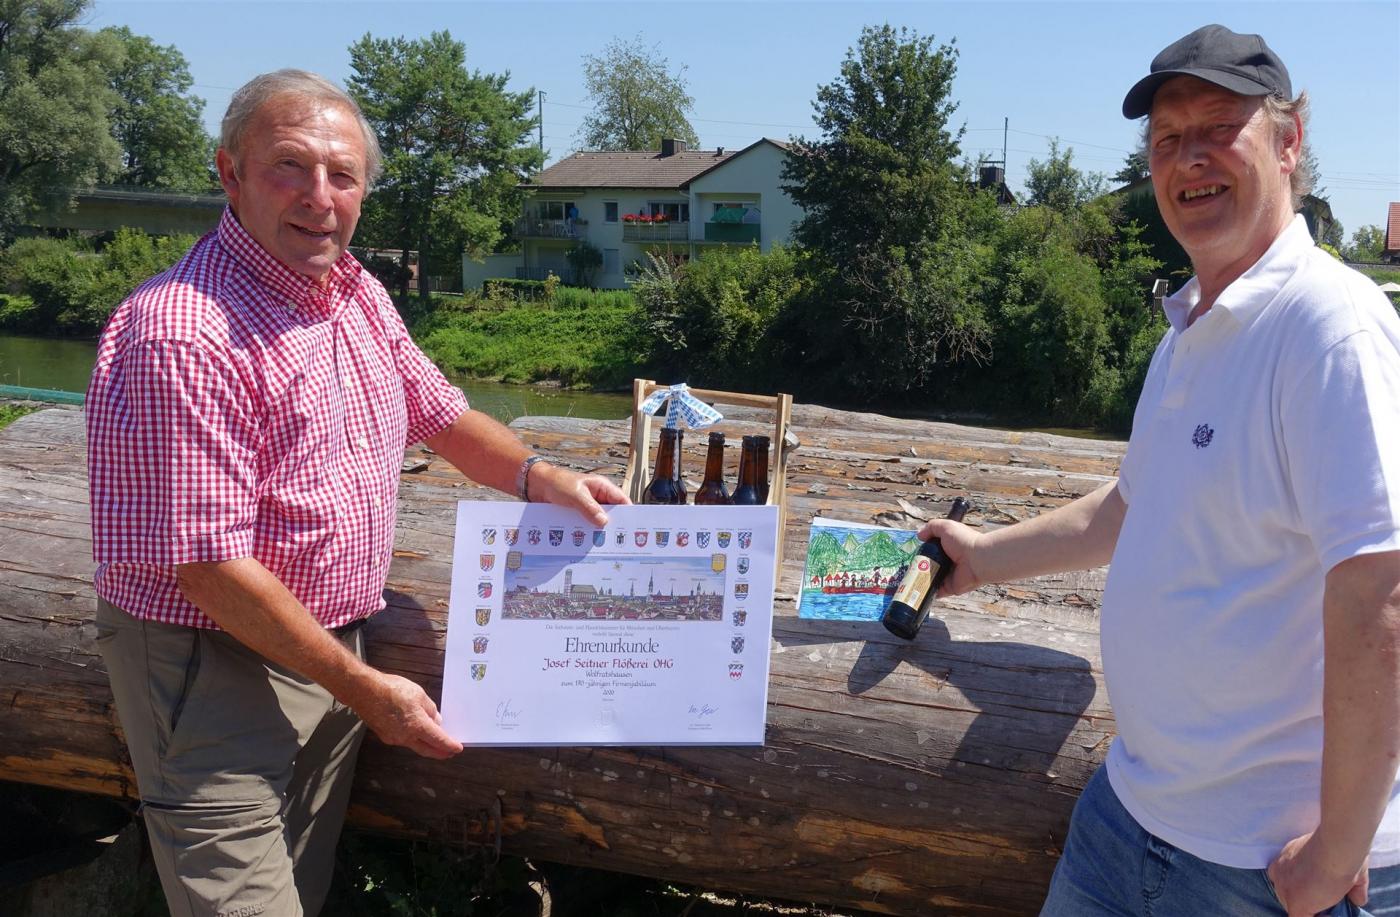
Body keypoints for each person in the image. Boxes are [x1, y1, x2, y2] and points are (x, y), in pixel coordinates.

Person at [85, 69, 628, 917]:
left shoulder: (355, 291)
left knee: (301, 890)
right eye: (289, 166)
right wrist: (366, 688)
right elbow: (209, 566)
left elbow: (441, 413)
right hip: (210, 663)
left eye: (342, 175)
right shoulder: (184, 332)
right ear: (230, 173)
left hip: (332, 649)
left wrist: (539, 476)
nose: (319, 196)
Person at [920, 25, 1400, 917]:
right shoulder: (1186, 334)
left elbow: (1381, 593)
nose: (1190, 158)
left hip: (1256, 867)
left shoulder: (1329, 327)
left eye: (1218, 128)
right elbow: (1132, 505)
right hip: (1126, 813)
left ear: (1289, 142)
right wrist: (982, 557)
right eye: (1168, 138)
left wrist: (1337, 850)